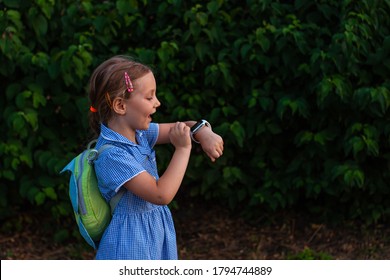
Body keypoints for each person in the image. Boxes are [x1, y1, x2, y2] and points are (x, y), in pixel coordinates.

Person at [88, 55, 224, 260]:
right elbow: (161, 195)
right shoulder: (113, 155)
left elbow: (181, 128)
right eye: (150, 97)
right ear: (120, 106)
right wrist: (183, 149)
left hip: (152, 237)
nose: (158, 103)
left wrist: (203, 131)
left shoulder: (140, 134)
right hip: (130, 246)